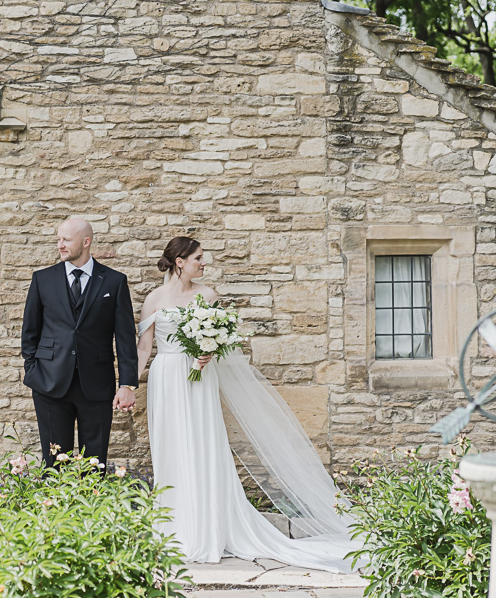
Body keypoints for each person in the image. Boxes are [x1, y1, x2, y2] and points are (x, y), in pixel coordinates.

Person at [137, 236, 361, 572]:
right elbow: (143, 348)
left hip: (200, 377)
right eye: (198, 258)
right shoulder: (154, 299)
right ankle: (175, 526)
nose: (204, 262)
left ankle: (208, 526)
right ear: (179, 262)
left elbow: (220, 341)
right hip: (167, 378)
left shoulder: (207, 295)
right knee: (171, 449)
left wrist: (209, 352)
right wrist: (126, 385)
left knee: (203, 446)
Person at [21, 218, 139, 468]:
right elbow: (30, 331)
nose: (60, 245)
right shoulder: (43, 279)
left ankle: (92, 507)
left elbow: (126, 337)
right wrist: (32, 370)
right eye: (58, 239)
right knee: (53, 463)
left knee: (95, 464)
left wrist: (127, 383)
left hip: (96, 383)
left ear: (86, 242)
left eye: (66, 240)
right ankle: (52, 508)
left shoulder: (114, 281)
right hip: (49, 383)